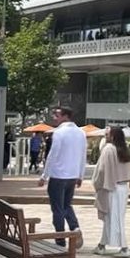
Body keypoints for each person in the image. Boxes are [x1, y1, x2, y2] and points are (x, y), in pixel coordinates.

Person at [38, 106, 86, 247]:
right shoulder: (81, 133)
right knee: (66, 205)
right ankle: (74, 228)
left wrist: (44, 176)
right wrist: (80, 175)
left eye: (57, 115)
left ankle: (60, 239)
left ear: (65, 116)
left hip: (58, 176)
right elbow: (83, 156)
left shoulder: (59, 133)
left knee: (57, 208)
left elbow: (52, 155)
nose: (55, 118)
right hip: (72, 175)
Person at [91, 126, 130, 258]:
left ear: (113, 136)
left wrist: (97, 184)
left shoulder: (108, 149)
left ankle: (124, 248)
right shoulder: (124, 150)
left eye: (107, 134)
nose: (105, 136)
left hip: (111, 187)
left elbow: (101, 170)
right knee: (113, 217)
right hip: (123, 187)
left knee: (114, 218)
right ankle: (102, 245)